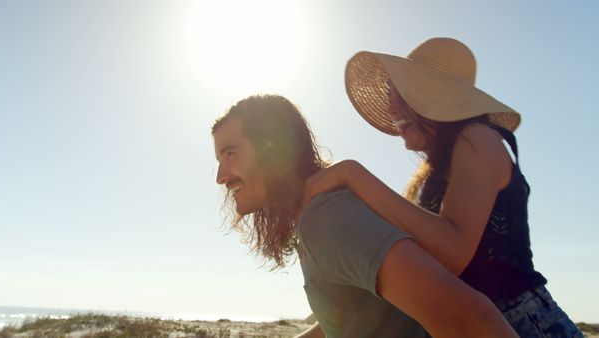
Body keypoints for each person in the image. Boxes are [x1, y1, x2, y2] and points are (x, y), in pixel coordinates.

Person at [302, 37, 583, 337]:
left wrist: (354, 175)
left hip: (523, 323)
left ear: (437, 98)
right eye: (390, 95)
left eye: (402, 96)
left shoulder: (478, 138)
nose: (391, 107)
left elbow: (453, 252)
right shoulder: (433, 173)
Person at [212, 94, 518, 338]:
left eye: (230, 154)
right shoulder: (318, 217)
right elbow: (360, 315)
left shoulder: (328, 218)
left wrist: (354, 172)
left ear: (274, 149)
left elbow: (470, 316)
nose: (221, 176)